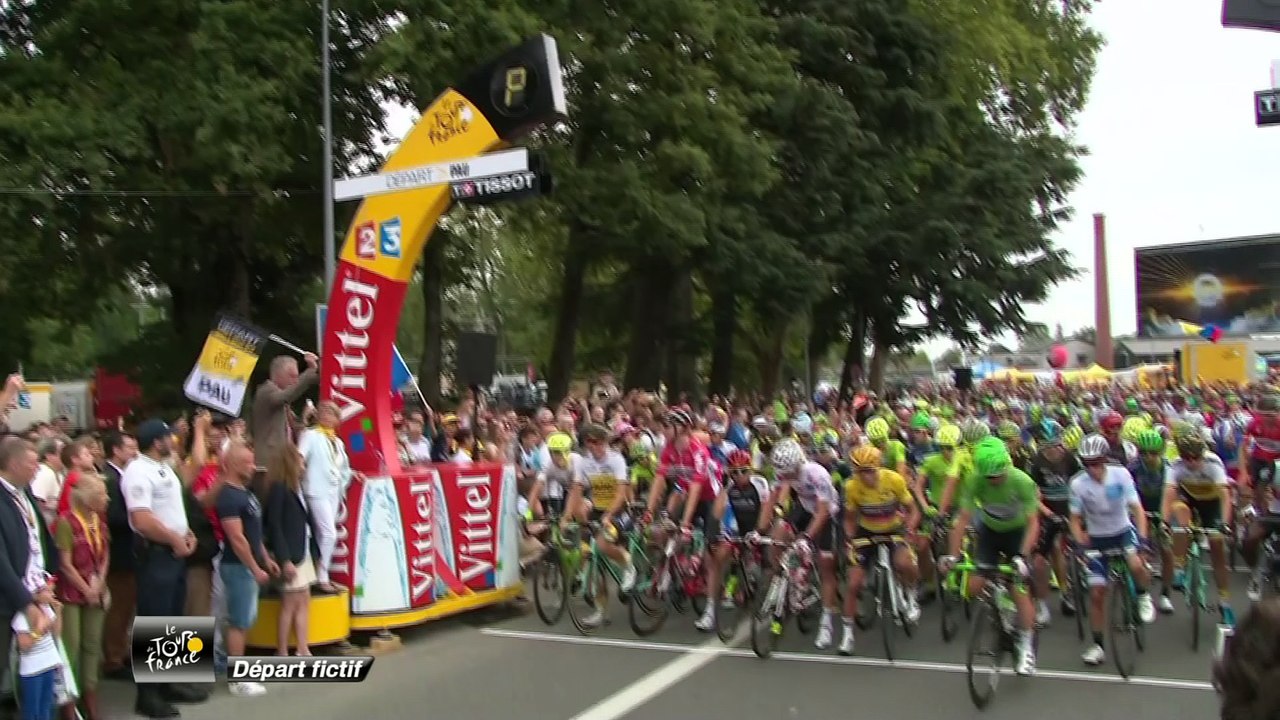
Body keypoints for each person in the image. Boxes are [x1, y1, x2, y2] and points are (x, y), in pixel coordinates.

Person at [122, 419, 207, 718]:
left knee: (172, 617)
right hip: (156, 553)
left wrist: (185, 532)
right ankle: (148, 695)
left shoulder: (164, 467)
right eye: (168, 436)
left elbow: (173, 507)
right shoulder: (137, 471)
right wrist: (173, 538)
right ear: (156, 441)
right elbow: (142, 519)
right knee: (154, 621)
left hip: (174, 551)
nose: (172, 440)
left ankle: (169, 682)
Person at [939, 436, 1040, 676]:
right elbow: (962, 519)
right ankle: (998, 611)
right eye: (989, 477)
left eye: (998, 476)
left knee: (1019, 590)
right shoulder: (975, 480)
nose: (994, 481)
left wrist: (1022, 556)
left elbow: (1034, 523)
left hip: (1018, 534)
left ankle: (1026, 646)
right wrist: (952, 556)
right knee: (974, 586)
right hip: (990, 532)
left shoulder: (1021, 481)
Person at [1070, 434, 1156, 667]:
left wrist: (1143, 540)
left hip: (1122, 532)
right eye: (1087, 464)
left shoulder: (1121, 475)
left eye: (1096, 462)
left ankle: (1142, 595)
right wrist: (1080, 545)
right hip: (1097, 539)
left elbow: (1137, 510)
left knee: (1135, 564)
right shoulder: (1078, 484)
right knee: (1097, 594)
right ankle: (1098, 646)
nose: (1092, 469)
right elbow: (1075, 519)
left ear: (1105, 459)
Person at [839, 444, 921, 655]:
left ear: (878, 467)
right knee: (853, 584)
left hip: (894, 528)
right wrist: (849, 539)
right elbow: (849, 519)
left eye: (869, 471)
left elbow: (913, 510)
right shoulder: (851, 486)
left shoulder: (894, 479)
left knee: (904, 563)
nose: (865, 476)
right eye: (860, 472)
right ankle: (847, 635)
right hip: (866, 531)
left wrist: (910, 530)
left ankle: (911, 596)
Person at [216, 441, 278, 697]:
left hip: (248, 565)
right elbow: (237, 538)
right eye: (247, 463)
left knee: (245, 619)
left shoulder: (246, 493)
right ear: (232, 464)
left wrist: (264, 558)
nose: (253, 467)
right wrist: (254, 567)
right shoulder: (228, 496)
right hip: (238, 566)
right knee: (239, 622)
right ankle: (238, 679)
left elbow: (254, 533)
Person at [0, 437, 55, 715]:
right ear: (13, 463)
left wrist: (47, 580)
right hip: (10, 599)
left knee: (40, 668)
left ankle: (171, 680)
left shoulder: (24, 493)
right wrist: (26, 601)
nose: (38, 469)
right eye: (33, 463)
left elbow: (38, 541)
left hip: (36, 591)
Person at [54, 473, 110, 720]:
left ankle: (90, 696)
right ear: (87, 498)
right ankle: (68, 702)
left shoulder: (99, 521)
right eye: (101, 494)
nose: (106, 499)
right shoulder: (66, 522)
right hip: (72, 592)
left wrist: (100, 584)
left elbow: (105, 555)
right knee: (72, 645)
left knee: (92, 644)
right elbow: (65, 564)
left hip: (96, 589)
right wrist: (86, 589)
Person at [263, 446, 319, 657]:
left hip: (303, 550)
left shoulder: (297, 488)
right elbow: (274, 525)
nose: (304, 465)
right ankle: (282, 651)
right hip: (291, 554)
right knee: (289, 603)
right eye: (301, 461)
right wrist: (284, 559)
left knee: (304, 598)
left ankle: (303, 648)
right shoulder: (279, 489)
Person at [298, 401, 350, 593]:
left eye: (331, 413)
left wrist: (352, 475)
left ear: (337, 419)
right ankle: (322, 576)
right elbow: (299, 457)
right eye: (323, 412)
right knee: (329, 533)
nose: (326, 416)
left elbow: (342, 467)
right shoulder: (310, 435)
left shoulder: (338, 442)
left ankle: (318, 573)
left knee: (323, 534)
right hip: (316, 489)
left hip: (333, 490)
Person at [99, 430, 138, 681]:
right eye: (129, 447)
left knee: (127, 607)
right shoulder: (110, 478)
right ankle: (113, 659)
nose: (134, 452)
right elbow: (112, 517)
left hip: (130, 553)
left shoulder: (124, 475)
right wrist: (139, 517)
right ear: (116, 450)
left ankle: (122, 651)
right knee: (119, 607)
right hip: (120, 553)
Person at [249, 354, 319, 467]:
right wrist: (309, 372)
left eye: (297, 377)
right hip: (269, 461)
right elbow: (287, 396)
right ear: (278, 374)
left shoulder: (285, 406)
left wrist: (305, 419)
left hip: (283, 461)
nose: (295, 381)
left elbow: (294, 432)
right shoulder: (266, 391)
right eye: (292, 376)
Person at [12, 602, 60, 720]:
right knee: (32, 711)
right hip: (32, 671)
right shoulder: (21, 615)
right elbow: (24, 645)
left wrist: (58, 611)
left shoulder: (45, 607)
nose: (51, 593)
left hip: (49, 664)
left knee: (47, 708)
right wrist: (38, 630)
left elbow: (56, 632)